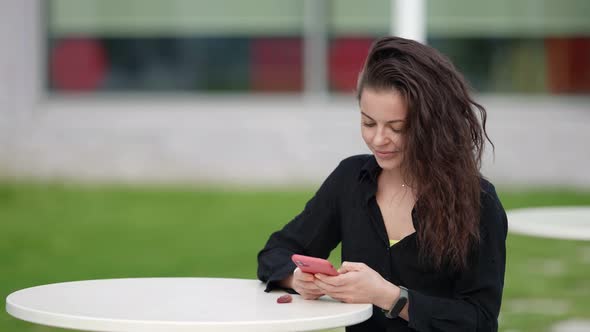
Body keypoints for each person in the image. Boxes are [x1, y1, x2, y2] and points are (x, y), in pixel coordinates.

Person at [257, 36, 507, 332]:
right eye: (368, 122)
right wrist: (296, 278)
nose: (378, 139)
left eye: (396, 128)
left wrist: (389, 297)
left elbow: (479, 319)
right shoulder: (350, 179)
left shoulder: (478, 201)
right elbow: (275, 253)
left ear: (432, 125)